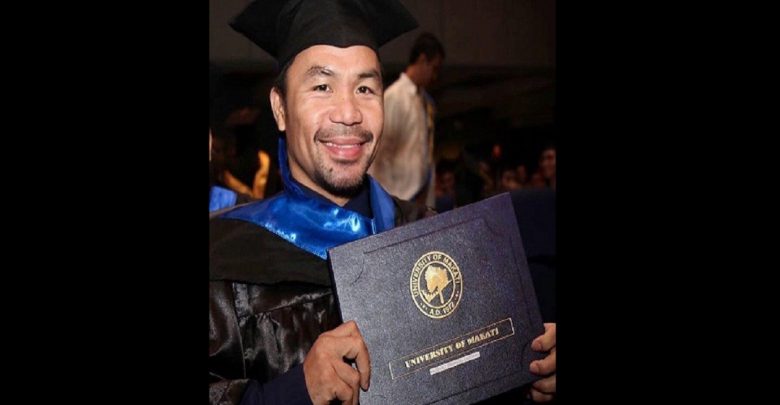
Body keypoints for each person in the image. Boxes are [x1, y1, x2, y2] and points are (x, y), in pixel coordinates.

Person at [210, 1, 556, 404]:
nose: (349, 113)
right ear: (280, 108)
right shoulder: (226, 260)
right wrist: (293, 393)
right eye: (322, 87)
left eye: (365, 88)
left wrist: (528, 374)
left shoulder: (431, 234)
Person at [368, 32, 445, 210]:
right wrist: (384, 201)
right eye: (434, 68)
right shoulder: (395, 97)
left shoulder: (425, 100)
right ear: (422, 60)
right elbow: (378, 153)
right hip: (397, 197)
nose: (435, 76)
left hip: (420, 197)